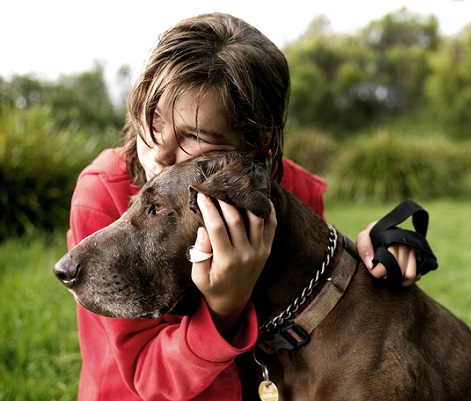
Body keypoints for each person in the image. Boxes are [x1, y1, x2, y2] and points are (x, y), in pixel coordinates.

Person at [67, 12, 421, 400]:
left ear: (256, 140)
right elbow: (146, 374)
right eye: (153, 119)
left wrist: (364, 258)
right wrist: (223, 306)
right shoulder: (102, 194)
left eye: (194, 136)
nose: (157, 152)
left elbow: (306, 292)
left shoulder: (293, 191)